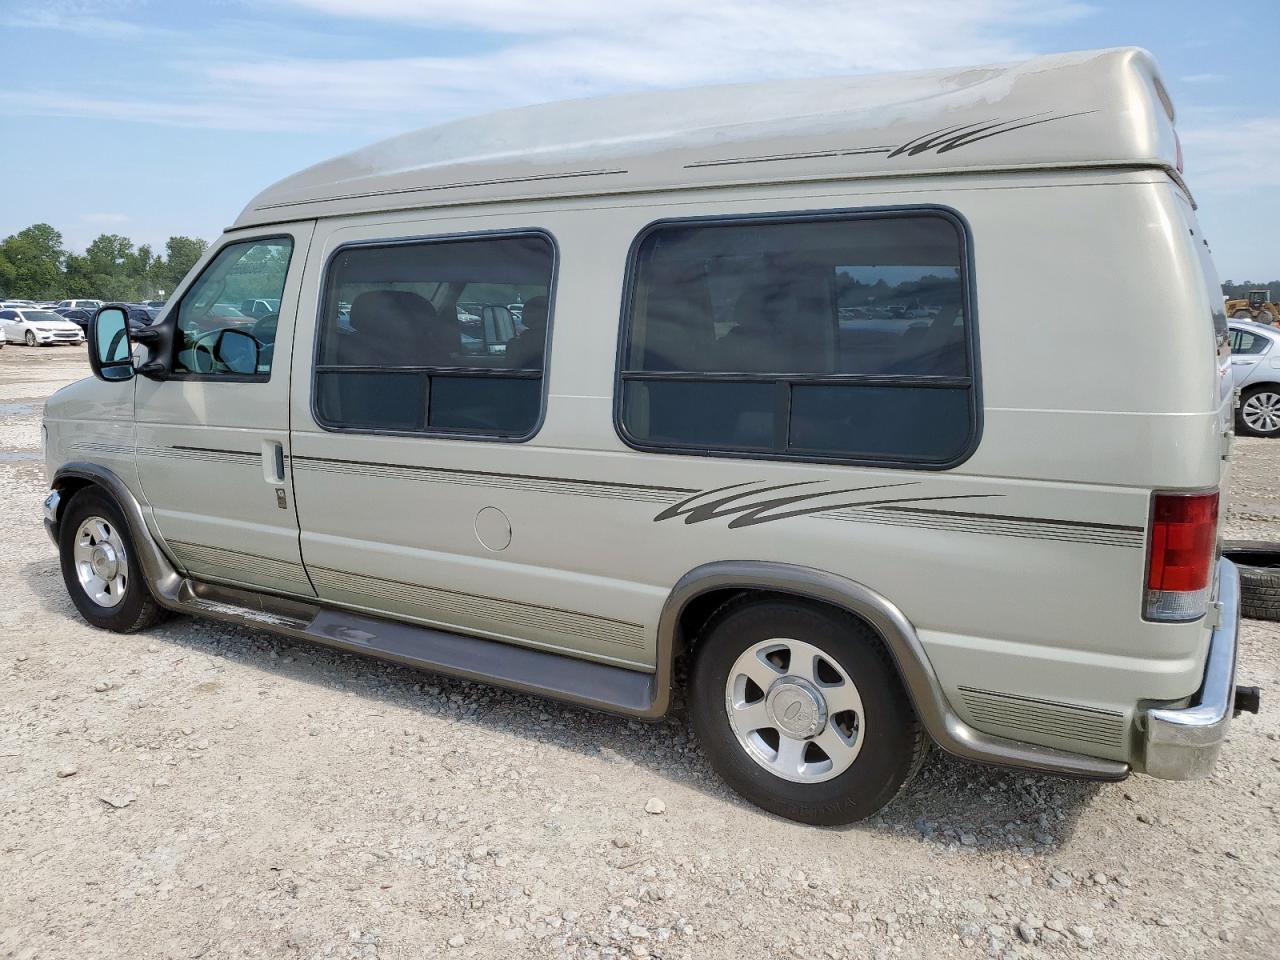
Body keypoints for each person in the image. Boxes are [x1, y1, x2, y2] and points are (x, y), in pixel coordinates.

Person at [505, 295, 547, 369]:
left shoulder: (516, 344)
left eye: (530, 312)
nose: (524, 314)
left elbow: (508, 368)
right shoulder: (556, 342)